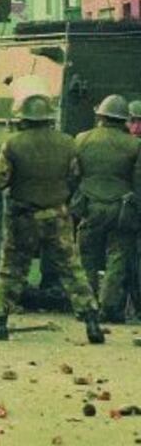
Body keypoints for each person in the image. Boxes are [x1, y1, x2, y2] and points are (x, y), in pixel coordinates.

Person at [0, 92, 104, 343]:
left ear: (24, 118)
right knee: (72, 269)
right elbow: (75, 175)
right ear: (48, 117)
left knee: (11, 269)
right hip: (57, 214)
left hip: (23, 216)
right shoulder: (68, 142)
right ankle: (92, 322)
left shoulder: (13, 144)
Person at [73, 94, 141, 323]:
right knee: (117, 258)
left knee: (86, 258)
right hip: (121, 209)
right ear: (124, 119)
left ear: (100, 116)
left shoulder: (82, 139)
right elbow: (138, 182)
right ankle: (109, 308)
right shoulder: (135, 145)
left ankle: (87, 306)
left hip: (89, 206)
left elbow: (73, 174)